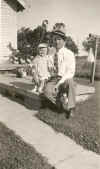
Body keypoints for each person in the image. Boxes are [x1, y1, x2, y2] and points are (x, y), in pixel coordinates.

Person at [43, 24, 76, 118]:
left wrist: (58, 84)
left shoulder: (69, 54)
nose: (56, 42)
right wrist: (49, 68)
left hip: (65, 79)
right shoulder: (51, 53)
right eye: (55, 39)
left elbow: (70, 72)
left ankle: (71, 108)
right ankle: (59, 104)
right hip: (54, 79)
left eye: (59, 39)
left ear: (64, 41)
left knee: (71, 83)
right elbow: (49, 69)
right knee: (47, 92)